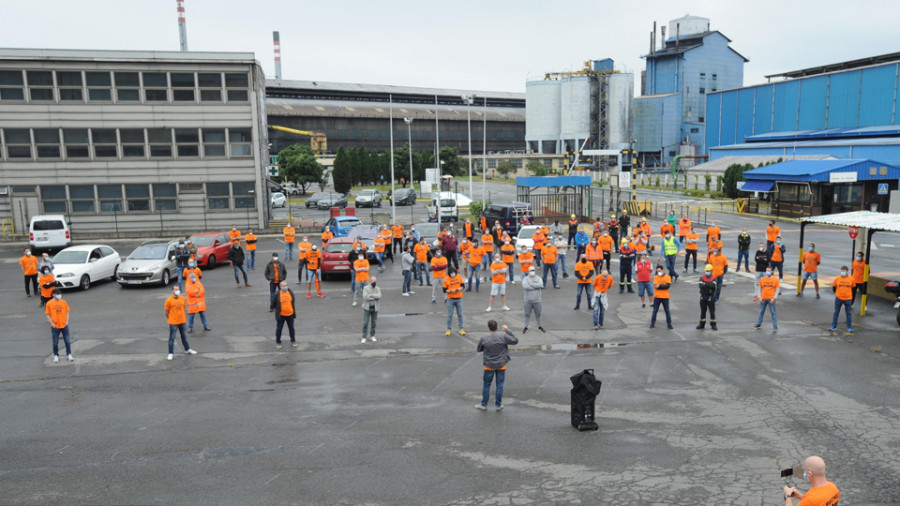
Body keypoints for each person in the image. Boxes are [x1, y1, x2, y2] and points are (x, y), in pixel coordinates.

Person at [475, 320, 518, 411]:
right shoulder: (503, 336)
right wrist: (507, 330)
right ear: (497, 327)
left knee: (486, 385)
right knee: (499, 385)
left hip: (489, 365)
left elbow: (479, 349)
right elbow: (515, 340)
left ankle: (484, 404)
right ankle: (498, 404)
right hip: (501, 364)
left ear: (488, 327)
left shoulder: (484, 338)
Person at [164, 284, 196, 360]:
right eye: (176, 289)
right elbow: (166, 312)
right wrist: (171, 318)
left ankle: (187, 349)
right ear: (172, 291)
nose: (177, 291)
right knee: (172, 338)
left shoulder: (182, 298)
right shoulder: (169, 300)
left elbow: (183, 307)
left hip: (182, 321)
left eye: (178, 289)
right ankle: (170, 353)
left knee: (184, 336)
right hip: (173, 322)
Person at [45, 288, 74, 362]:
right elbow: (47, 315)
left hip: (64, 325)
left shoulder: (63, 302)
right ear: (54, 294)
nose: (59, 295)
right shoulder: (49, 303)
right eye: (58, 294)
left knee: (67, 341)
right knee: (55, 342)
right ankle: (56, 355)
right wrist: (52, 323)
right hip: (55, 326)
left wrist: (67, 321)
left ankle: (69, 354)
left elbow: (67, 312)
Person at [829, 266, 856, 332]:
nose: (842, 272)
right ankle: (833, 326)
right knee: (836, 312)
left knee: (848, 313)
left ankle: (849, 327)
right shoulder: (837, 278)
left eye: (844, 271)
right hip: (839, 298)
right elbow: (834, 287)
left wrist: (851, 297)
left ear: (847, 271)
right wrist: (837, 294)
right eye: (842, 271)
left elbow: (853, 289)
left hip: (848, 299)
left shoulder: (851, 279)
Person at [273, 280, 297, 349]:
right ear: (280, 287)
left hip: (290, 314)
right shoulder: (277, 294)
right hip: (281, 315)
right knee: (279, 329)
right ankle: (278, 342)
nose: (285, 287)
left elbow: (293, 301)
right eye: (284, 286)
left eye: (286, 285)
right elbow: (274, 303)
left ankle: (293, 341)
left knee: (291, 328)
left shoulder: (290, 292)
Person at [443, 268, 466, 336]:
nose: (453, 274)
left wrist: (460, 289)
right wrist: (450, 291)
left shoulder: (459, 276)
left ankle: (461, 329)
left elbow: (463, 286)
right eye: (451, 273)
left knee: (460, 314)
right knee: (450, 315)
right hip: (450, 299)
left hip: (459, 298)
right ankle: (448, 329)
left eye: (454, 273)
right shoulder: (446, 279)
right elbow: (444, 290)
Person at [521, 266, 544, 333]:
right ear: (528, 271)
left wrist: (531, 284)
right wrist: (535, 285)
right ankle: (526, 326)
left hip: (537, 300)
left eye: (533, 270)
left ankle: (540, 326)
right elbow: (525, 286)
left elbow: (541, 285)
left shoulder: (539, 278)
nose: (532, 272)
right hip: (527, 301)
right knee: (527, 314)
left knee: (538, 314)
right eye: (531, 270)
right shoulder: (525, 279)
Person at [650, 265, 673, 329]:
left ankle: (669, 324)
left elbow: (667, 286)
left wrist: (659, 286)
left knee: (667, 311)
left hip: (665, 297)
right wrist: (663, 286)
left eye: (659, 270)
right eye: (657, 271)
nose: (658, 272)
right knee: (655, 311)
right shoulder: (656, 277)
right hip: (657, 297)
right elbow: (656, 286)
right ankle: (652, 323)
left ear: (663, 270)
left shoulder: (667, 277)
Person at [696, 263, 718, 330]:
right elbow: (700, 285)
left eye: (708, 271)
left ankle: (713, 325)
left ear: (711, 271)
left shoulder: (714, 278)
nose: (707, 272)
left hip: (711, 297)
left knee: (712, 311)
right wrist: (708, 285)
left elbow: (713, 285)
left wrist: (705, 284)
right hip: (703, 296)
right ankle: (701, 324)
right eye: (706, 271)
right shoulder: (702, 277)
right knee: (703, 311)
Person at [361, 277, 381, 343]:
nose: (375, 283)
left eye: (376, 281)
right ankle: (364, 337)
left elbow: (379, 296)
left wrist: (371, 295)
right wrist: (375, 296)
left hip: (375, 308)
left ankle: (372, 336)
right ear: (370, 282)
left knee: (374, 323)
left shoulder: (377, 288)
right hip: (367, 308)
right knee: (365, 323)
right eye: (373, 281)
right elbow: (365, 297)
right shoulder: (365, 288)